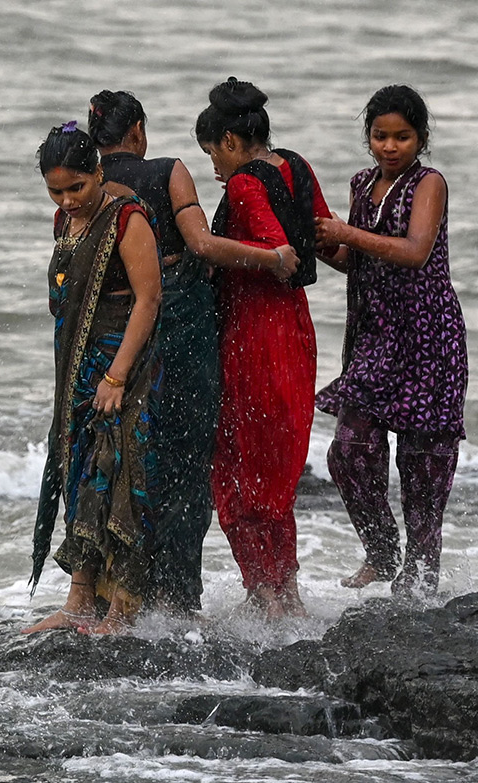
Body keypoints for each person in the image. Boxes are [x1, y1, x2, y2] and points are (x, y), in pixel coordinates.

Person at [85, 89, 298, 616]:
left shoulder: (83, 188)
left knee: (126, 458)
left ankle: (116, 594)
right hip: (178, 330)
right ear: (137, 131)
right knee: (184, 459)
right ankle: (176, 600)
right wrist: (271, 257)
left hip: (113, 342)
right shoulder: (166, 171)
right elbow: (201, 245)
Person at [314, 85, 468, 599]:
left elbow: (416, 251)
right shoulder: (362, 185)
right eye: (380, 136)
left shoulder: (429, 183)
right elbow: (356, 260)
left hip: (428, 335)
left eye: (402, 136)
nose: (389, 146)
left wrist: (347, 233)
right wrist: (319, 246)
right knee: (349, 451)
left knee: (422, 467)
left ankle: (420, 580)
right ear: (368, 138)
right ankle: (382, 553)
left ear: (420, 138)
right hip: (376, 336)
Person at [194, 77, 334, 620]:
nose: (213, 167)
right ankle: (288, 594)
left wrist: (209, 254)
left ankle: (263, 596)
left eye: (212, 154)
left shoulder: (243, 186)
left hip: (254, 333)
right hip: (296, 331)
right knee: (276, 471)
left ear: (230, 141)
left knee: (235, 467)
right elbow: (323, 234)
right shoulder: (296, 165)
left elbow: (279, 251)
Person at [23, 122, 162, 635]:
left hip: (120, 366)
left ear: (99, 172)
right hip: (76, 373)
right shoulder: (67, 222)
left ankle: (123, 609)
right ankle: (80, 599)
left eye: (77, 187)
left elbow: (148, 300)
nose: (67, 199)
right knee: (81, 473)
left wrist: (117, 376)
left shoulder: (127, 220)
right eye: (56, 190)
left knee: (120, 474)